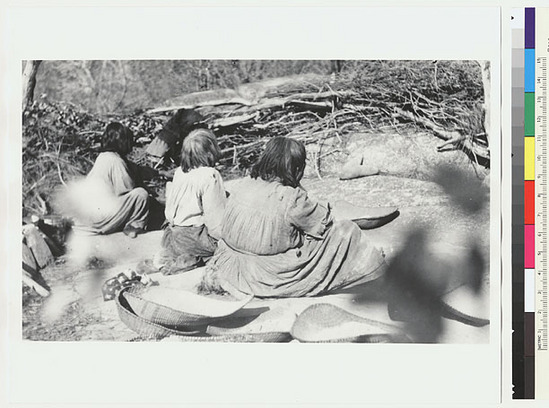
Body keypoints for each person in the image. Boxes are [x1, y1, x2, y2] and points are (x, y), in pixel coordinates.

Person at [202, 137, 387, 298]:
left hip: (228, 264)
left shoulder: (245, 183)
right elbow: (323, 222)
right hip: (264, 275)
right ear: (297, 168)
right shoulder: (291, 197)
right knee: (347, 231)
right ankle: (376, 275)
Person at [155, 128, 227, 275]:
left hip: (171, 236)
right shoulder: (210, 175)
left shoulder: (179, 172)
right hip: (194, 238)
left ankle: (175, 256)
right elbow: (215, 224)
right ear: (210, 152)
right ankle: (194, 258)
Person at [69, 122, 150, 238]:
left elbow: (136, 169)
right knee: (141, 194)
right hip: (100, 218)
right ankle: (133, 227)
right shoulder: (116, 161)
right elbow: (127, 191)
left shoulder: (104, 156)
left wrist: (159, 173)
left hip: (89, 215)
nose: (131, 146)